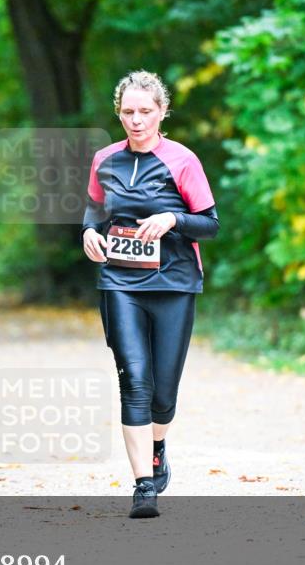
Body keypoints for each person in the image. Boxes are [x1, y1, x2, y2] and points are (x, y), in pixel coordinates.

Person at [81, 70, 220, 519]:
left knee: (163, 393)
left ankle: (158, 447)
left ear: (162, 112)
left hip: (174, 282)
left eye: (145, 112)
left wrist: (173, 220)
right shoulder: (105, 159)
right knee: (134, 380)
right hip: (120, 281)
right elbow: (95, 207)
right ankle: (143, 484)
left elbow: (211, 224)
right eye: (128, 112)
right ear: (118, 113)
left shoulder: (182, 160)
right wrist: (88, 231)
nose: (136, 120)